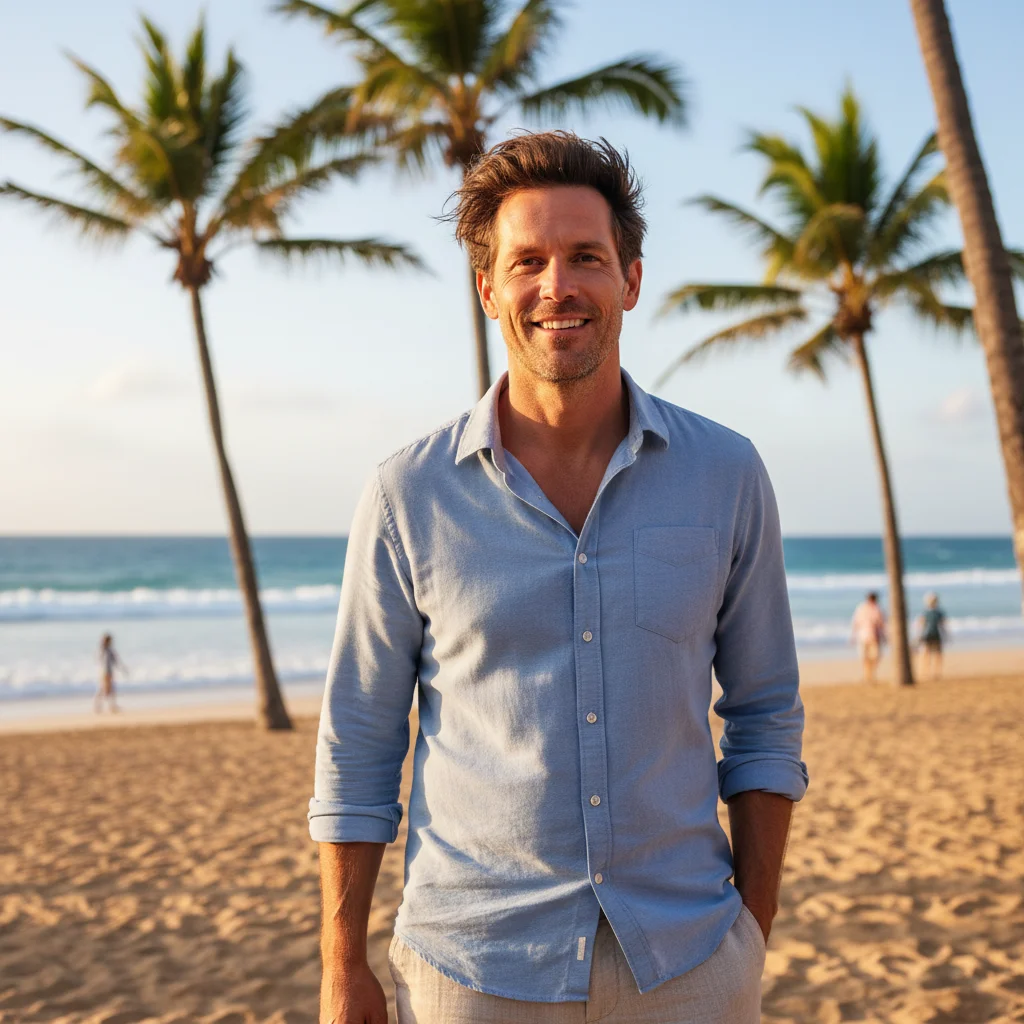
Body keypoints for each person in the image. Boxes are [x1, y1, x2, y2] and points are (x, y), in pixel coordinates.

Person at [310, 132, 808, 1024]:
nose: (557, 287)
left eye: (586, 257)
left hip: (690, 963)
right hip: (472, 972)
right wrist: (342, 963)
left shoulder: (727, 473)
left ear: (632, 279)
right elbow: (359, 739)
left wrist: (751, 931)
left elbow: (766, 712)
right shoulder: (406, 494)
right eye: (527, 261)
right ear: (489, 289)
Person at [850, 592, 887, 684]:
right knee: (866, 657)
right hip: (865, 636)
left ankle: (870, 674)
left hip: (871, 636)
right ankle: (868, 675)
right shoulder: (863, 608)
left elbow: (881, 624)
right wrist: (853, 635)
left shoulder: (875, 609)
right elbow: (856, 622)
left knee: (874, 657)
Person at [916, 592, 947, 681]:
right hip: (931, 635)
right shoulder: (936, 612)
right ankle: (929, 672)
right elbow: (943, 625)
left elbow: (920, 624)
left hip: (929, 635)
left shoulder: (928, 612)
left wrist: (919, 635)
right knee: (931, 654)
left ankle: (931, 672)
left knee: (931, 654)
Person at [95, 633, 124, 713]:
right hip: (106, 672)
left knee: (107, 689)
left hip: (106, 672)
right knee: (106, 689)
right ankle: (108, 706)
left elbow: (115, 661)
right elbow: (114, 661)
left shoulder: (105, 650)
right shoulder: (105, 650)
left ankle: (106, 706)